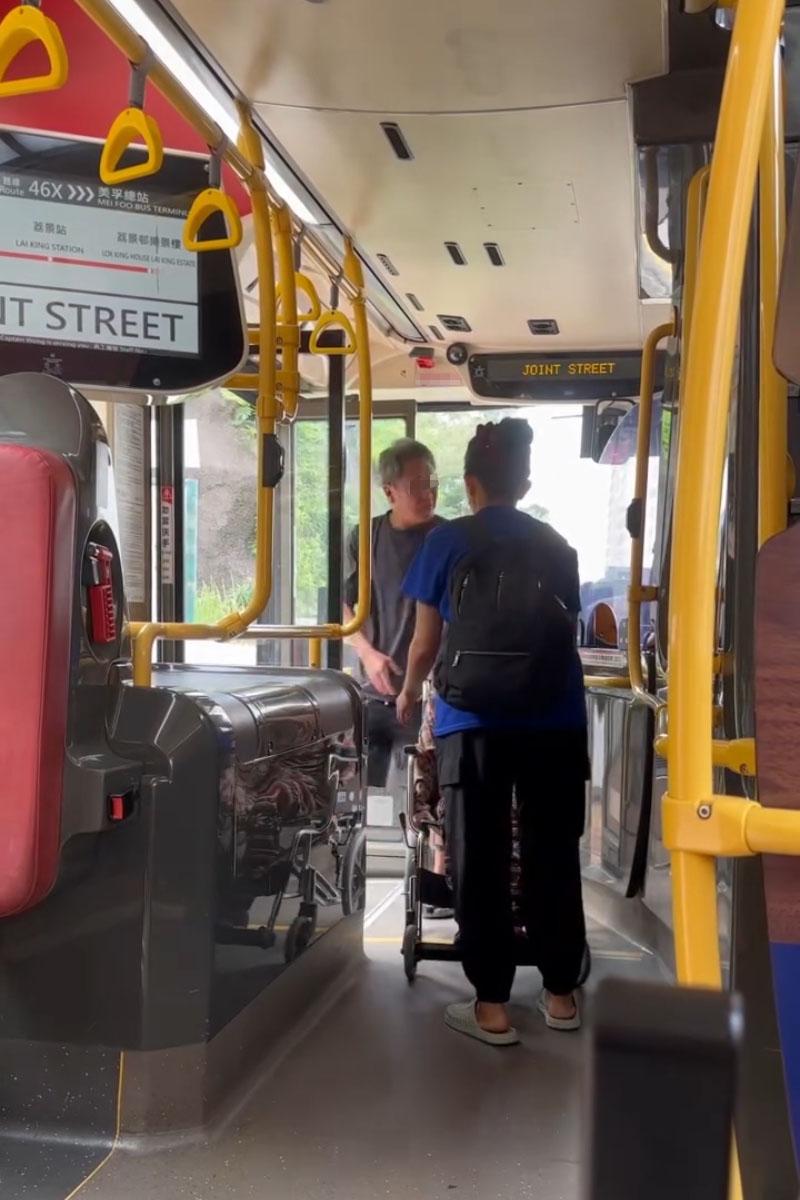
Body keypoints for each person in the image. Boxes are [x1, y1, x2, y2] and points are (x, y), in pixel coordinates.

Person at [397, 418, 588, 1047]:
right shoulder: (559, 545)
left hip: (471, 721)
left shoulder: (447, 541)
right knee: (551, 851)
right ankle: (561, 994)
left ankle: (492, 1008)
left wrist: (404, 693)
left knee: (478, 856)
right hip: (554, 719)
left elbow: (425, 645)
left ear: (471, 483)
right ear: (526, 482)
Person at [344, 438, 443, 790]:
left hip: (429, 699)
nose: (429, 493)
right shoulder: (365, 537)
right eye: (417, 486)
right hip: (374, 695)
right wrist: (368, 655)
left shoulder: (446, 537)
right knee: (366, 800)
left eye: (433, 483)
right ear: (390, 492)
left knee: (421, 802)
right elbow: (341, 606)